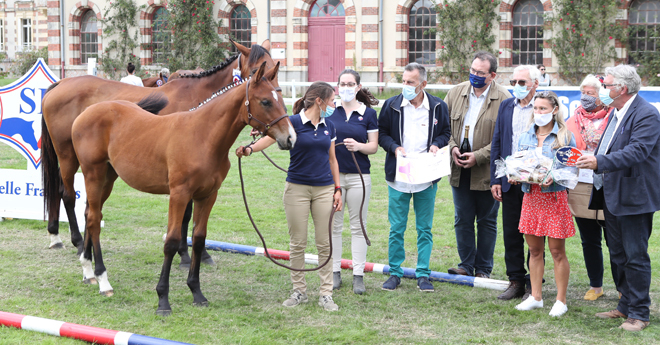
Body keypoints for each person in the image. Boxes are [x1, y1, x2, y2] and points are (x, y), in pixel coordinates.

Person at [236, 82, 343, 312]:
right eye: (332, 101)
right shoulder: (293, 122)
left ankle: (326, 293)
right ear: (319, 101)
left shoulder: (330, 126)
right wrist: (250, 149)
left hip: (325, 189)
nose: (335, 105)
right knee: (298, 243)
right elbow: (270, 138)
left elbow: (333, 160)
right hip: (297, 189)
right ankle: (299, 291)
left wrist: (338, 189)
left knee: (325, 243)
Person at [577, 65, 660, 332]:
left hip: (634, 196)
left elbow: (637, 151)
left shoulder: (646, 114)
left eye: (607, 84)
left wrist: (598, 161)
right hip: (611, 193)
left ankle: (639, 313)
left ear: (621, 89)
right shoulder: (617, 111)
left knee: (635, 255)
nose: (603, 88)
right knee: (618, 253)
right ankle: (625, 304)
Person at [378, 63, 451, 292]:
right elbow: (382, 134)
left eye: (411, 82)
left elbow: (446, 133)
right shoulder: (391, 105)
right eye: (404, 81)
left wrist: (436, 145)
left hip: (426, 177)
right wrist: (394, 147)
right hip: (398, 177)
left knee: (424, 229)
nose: (406, 86)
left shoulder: (439, 106)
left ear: (423, 84)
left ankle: (423, 274)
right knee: (396, 228)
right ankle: (395, 273)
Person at [444, 51, 510, 279]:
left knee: (486, 220)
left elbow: (505, 139)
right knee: (462, 218)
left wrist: (479, 156)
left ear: (492, 75)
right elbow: (444, 128)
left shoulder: (504, 98)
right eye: (472, 71)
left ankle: (483, 269)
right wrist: (452, 147)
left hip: (487, 171)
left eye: (480, 73)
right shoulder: (455, 93)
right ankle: (465, 265)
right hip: (458, 167)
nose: (474, 75)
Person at [512, 91, 576, 317]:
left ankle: (561, 300)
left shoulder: (565, 137)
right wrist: (515, 174)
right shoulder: (525, 136)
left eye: (543, 109)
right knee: (534, 250)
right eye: (536, 109)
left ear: (555, 110)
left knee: (557, 251)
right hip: (531, 197)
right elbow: (518, 163)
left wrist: (556, 177)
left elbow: (571, 170)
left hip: (554, 197)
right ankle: (536, 297)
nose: (538, 113)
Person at [490, 65, 540, 300]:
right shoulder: (506, 105)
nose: (517, 87)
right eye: (513, 82)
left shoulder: (543, 107)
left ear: (535, 84)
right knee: (511, 233)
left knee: (535, 234)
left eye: (522, 82)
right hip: (509, 181)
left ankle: (534, 282)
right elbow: (498, 141)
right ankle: (515, 281)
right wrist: (496, 179)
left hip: (535, 182)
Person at [327, 69, 379, 295]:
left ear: (358, 87)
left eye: (350, 84)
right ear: (337, 86)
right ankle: (334, 271)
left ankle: (358, 275)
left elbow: (374, 146)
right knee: (334, 226)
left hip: (360, 177)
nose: (346, 87)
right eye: (342, 83)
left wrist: (358, 147)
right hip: (333, 179)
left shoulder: (368, 114)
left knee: (359, 226)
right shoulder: (330, 111)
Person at [565, 74, 617, 301]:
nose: (586, 97)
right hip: (581, 184)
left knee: (614, 239)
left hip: (609, 184)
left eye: (591, 93)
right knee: (589, 239)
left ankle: (622, 287)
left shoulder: (615, 117)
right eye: (583, 93)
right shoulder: (572, 120)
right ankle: (595, 285)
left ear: (602, 95)